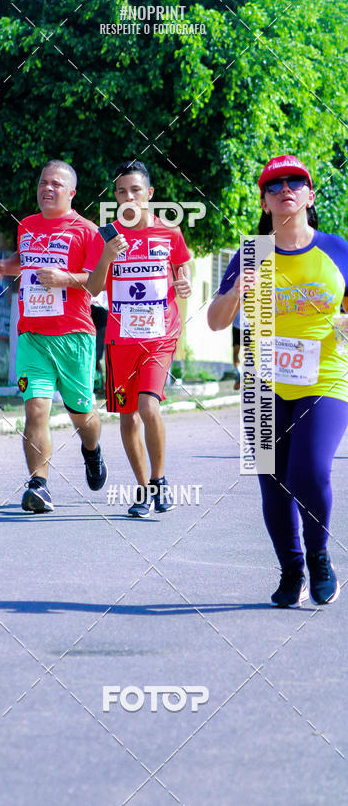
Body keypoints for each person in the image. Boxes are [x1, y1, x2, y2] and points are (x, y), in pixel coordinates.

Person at [207, 155, 348, 607]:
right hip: (264, 383)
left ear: (309, 195)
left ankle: (320, 557)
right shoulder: (251, 254)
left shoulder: (337, 248)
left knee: (310, 471)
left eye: (295, 182)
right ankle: (292, 571)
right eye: (274, 185)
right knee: (273, 481)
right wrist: (234, 292)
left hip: (324, 380)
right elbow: (214, 321)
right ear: (265, 202)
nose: (285, 189)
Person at [0, 160, 107, 514]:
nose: (47, 188)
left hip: (74, 336)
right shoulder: (27, 225)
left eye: (56, 184)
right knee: (36, 408)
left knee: (81, 413)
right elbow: (23, 259)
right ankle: (39, 485)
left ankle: (92, 450)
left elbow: (100, 282)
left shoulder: (87, 231)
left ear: (71, 192)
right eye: (43, 182)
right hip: (32, 335)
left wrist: (65, 279)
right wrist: (3, 267)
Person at [88, 159, 192, 517]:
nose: (128, 197)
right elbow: (93, 286)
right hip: (120, 340)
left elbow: (181, 264)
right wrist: (106, 257)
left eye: (135, 190)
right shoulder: (107, 235)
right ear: (115, 196)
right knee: (127, 415)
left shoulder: (170, 232)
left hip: (159, 335)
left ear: (149, 193)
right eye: (121, 191)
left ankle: (160, 480)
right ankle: (143, 487)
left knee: (148, 406)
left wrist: (185, 281)